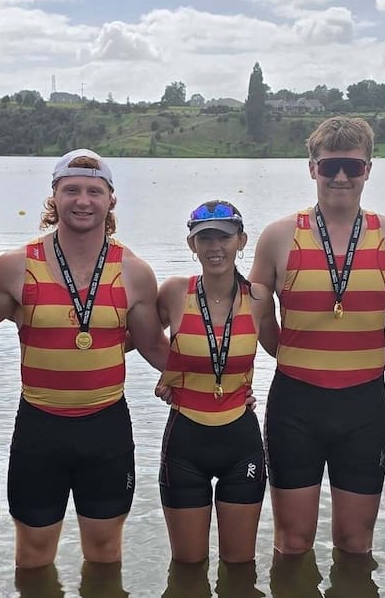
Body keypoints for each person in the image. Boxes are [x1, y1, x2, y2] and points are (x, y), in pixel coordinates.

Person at [247, 116, 385, 558]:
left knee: (355, 544)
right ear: (312, 168)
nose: (341, 177)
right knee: (292, 543)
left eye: (352, 166)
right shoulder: (278, 236)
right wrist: (294, 351)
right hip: (295, 404)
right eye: (329, 167)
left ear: (369, 168)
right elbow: (252, 315)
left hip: (364, 407)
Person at [0, 148, 168, 569]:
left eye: (93, 191)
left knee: (105, 556)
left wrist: (226, 383)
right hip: (39, 426)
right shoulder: (16, 267)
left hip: (105, 429)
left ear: (110, 200)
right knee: (32, 558)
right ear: (55, 196)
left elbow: (155, 348)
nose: (83, 200)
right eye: (71, 190)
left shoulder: (134, 272)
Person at [153, 200, 270, 567]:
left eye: (224, 237)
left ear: (241, 240)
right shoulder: (174, 292)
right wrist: (167, 372)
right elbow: (132, 339)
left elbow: (286, 349)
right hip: (185, 441)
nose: (214, 247)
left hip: (241, 440)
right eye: (204, 239)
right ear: (192, 245)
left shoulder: (260, 298)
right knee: (187, 570)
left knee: (240, 569)